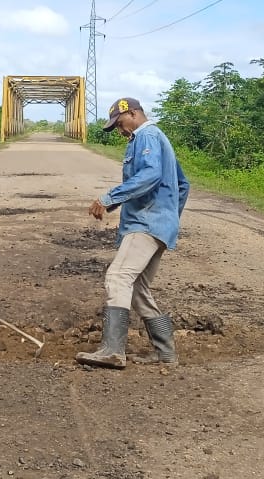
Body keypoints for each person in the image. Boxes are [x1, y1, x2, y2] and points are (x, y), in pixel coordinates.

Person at [76, 97, 190, 369]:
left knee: (118, 277)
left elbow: (150, 176)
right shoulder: (156, 138)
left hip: (146, 224)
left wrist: (108, 197)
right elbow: (183, 184)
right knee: (138, 289)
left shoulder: (147, 136)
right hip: (159, 224)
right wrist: (170, 217)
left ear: (134, 114)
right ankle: (165, 353)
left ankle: (113, 350)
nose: (119, 130)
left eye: (120, 123)